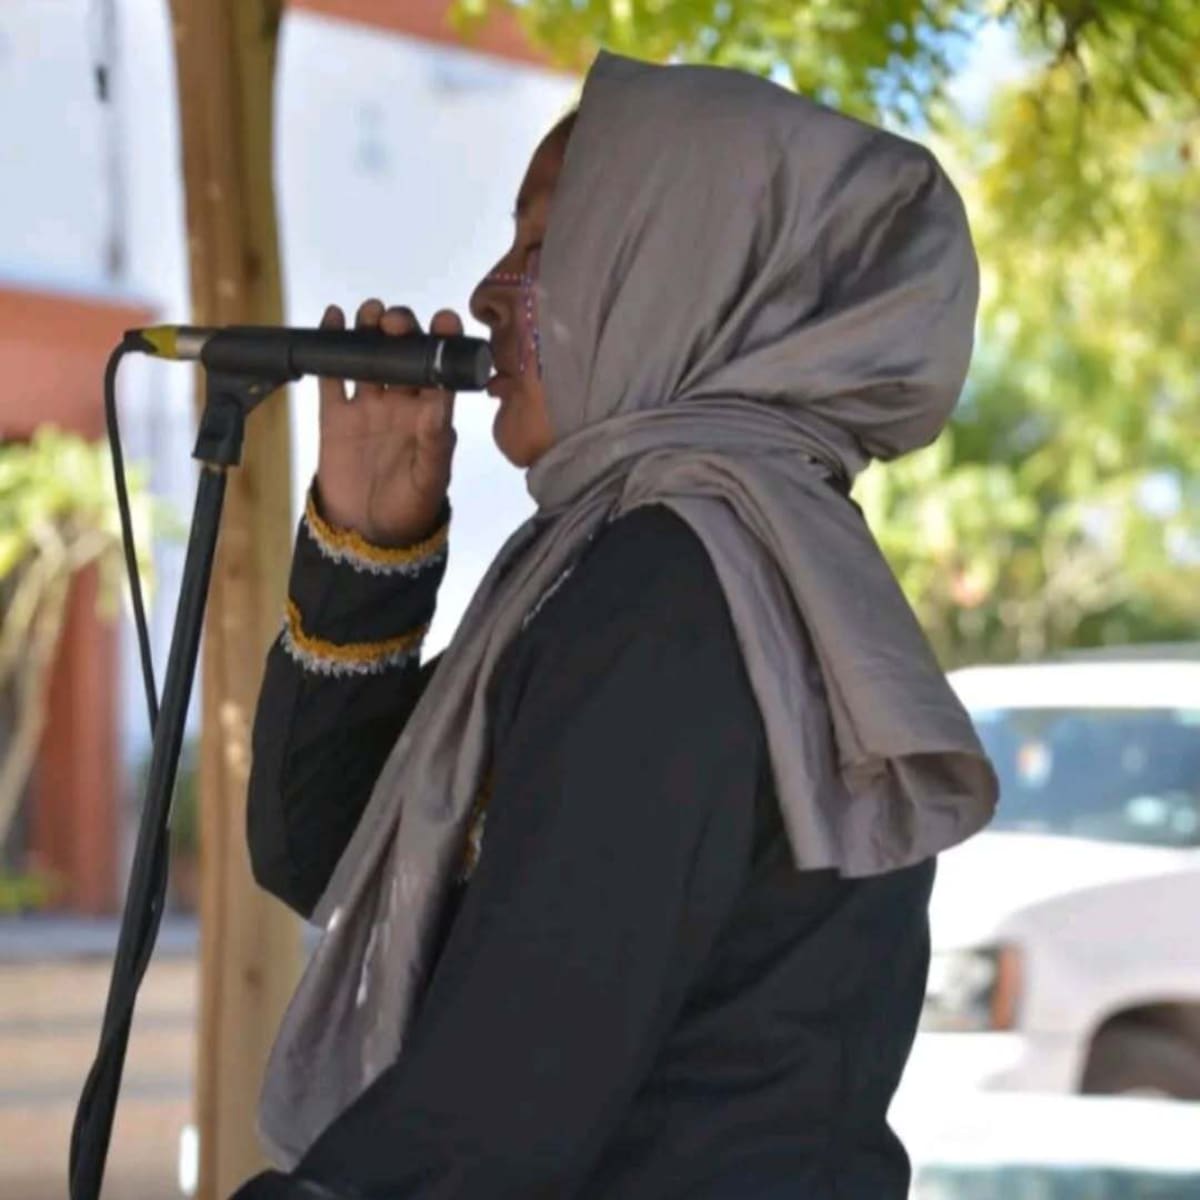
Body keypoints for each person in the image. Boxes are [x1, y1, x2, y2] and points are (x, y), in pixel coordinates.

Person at [231, 51, 996, 1200]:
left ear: (673, 273)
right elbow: (327, 852)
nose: (491, 290)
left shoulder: (683, 580)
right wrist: (369, 546)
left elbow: (504, 1102)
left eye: (545, 248)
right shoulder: (666, 554)